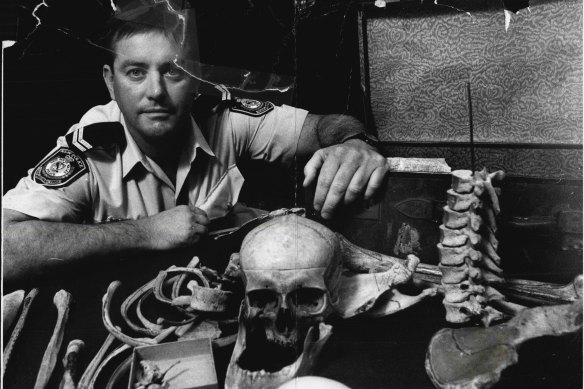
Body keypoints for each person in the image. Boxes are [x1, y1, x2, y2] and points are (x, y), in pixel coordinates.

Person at [2, 7, 389, 284]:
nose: (155, 92)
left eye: (172, 71)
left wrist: (353, 143)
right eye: (135, 73)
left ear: (195, 78)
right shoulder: (90, 149)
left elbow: (324, 127)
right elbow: (5, 249)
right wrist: (147, 232)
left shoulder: (222, 115)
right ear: (110, 82)